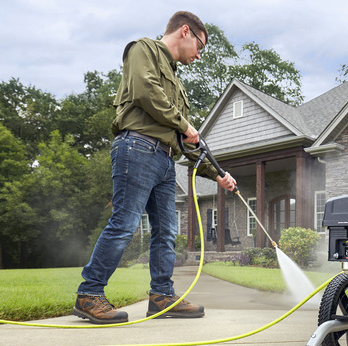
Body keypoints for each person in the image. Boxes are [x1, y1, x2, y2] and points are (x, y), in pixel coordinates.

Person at [73, 11, 237, 324]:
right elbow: (144, 90)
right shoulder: (143, 49)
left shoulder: (177, 81)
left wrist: (218, 175)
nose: (199, 55)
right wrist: (183, 123)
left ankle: (161, 296)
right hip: (137, 148)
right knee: (124, 222)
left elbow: (188, 143)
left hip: (165, 159)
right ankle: (89, 294)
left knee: (166, 232)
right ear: (185, 32)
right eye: (199, 46)